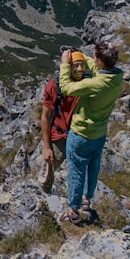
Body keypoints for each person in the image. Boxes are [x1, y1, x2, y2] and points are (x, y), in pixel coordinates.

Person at [57, 41, 123, 225]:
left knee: (76, 170)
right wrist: (79, 55)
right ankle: (87, 199)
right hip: (99, 134)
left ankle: (73, 210)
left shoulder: (94, 84)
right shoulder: (117, 78)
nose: (92, 59)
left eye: (94, 56)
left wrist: (64, 64)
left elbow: (66, 88)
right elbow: (97, 68)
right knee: (93, 168)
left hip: (81, 134)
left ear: (100, 60)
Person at [38, 51, 88, 194]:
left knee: (79, 174)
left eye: (82, 65)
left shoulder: (89, 83)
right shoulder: (54, 86)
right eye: (75, 66)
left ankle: (75, 203)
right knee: (48, 173)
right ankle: (43, 194)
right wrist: (47, 147)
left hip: (80, 136)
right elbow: (45, 117)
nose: (79, 69)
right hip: (59, 138)